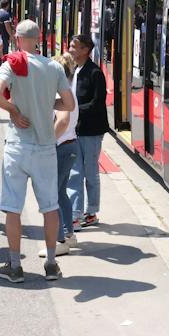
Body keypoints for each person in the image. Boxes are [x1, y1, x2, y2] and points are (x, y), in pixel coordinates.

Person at [0, 19, 75, 282]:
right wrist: (46, 101)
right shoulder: (53, 66)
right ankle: (51, 264)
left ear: (17, 38)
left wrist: (14, 111)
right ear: (39, 39)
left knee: (13, 208)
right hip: (46, 146)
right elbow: (69, 105)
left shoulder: (13, 63)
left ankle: (15, 266)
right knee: (50, 206)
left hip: (18, 144)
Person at [69, 33, 108, 227]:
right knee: (76, 172)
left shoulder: (94, 73)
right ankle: (76, 213)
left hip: (91, 130)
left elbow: (97, 103)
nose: (70, 49)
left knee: (90, 172)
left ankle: (91, 211)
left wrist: (74, 110)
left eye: (74, 46)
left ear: (86, 50)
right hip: (76, 129)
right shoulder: (75, 69)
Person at [52, 48, 81, 255]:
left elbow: (61, 122)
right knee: (60, 191)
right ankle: (69, 233)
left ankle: (60, 238)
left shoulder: (61, 94)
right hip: (70, 145)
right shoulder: (70, 93)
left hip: (60, 147)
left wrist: (48, 142)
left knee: (52, 194)